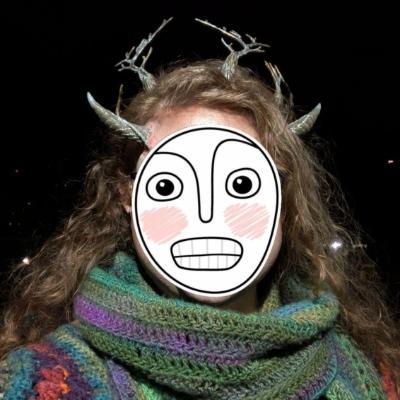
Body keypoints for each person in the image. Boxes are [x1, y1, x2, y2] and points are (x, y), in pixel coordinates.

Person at [1, 18, 399, 399]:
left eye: (242, 184)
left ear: (283, 194)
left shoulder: (370, 374)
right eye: (168, 186)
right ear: (126, 196)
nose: (207, 215)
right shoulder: (42, 381)